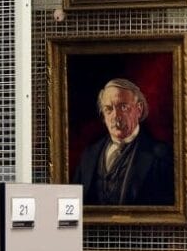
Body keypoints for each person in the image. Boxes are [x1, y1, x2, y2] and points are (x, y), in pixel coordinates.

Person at [74, 78, 176, 207]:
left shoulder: (163, 156)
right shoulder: (89, 155)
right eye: (108, 109)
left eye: (123, 107)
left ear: (138, 110)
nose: (116, 116)